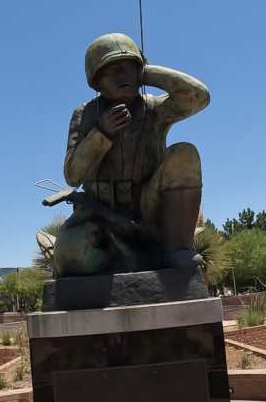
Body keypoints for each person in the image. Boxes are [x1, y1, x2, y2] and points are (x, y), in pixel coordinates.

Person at [51, 33, 210, 276]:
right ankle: (125, 265)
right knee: (70, 256)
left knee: (184, 154)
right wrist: (101, 133)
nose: (121, 75)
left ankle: (175, 250)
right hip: (102, 218)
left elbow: (198, 97)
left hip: (149, 213)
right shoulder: (85, 115)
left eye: (128, 66)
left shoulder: (154, 109)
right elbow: (72, 176)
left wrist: (147, 72)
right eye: (109, 70)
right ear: (96, 81)